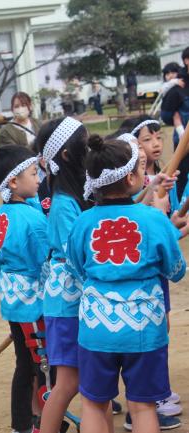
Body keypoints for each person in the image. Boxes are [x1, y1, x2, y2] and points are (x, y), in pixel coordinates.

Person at [68, 135, 188, 433]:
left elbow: (75, 268)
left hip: (96, 326)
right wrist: (165, 225)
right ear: (133, 177)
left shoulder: (83, 222)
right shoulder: (153, 219)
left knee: (94, 404)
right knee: (143, 405)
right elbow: (175, 270)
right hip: (144, 327)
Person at [0, 145, 50, 433]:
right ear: (13, 182)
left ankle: (23, 423)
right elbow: (44, 263)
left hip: (12, 302)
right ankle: (41, 422)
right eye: (34, 173)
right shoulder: (33, 220)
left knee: (25, 364)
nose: (39, 179)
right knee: (42, 366)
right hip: (33, 303)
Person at [34, 117, 90, 433]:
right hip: (68, 305)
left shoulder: (77, 195)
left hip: (79, 302)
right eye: (85, 141)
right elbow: (75, 258)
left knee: (89, 380)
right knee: (68, 383)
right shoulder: (63, 204)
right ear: (67, 155)